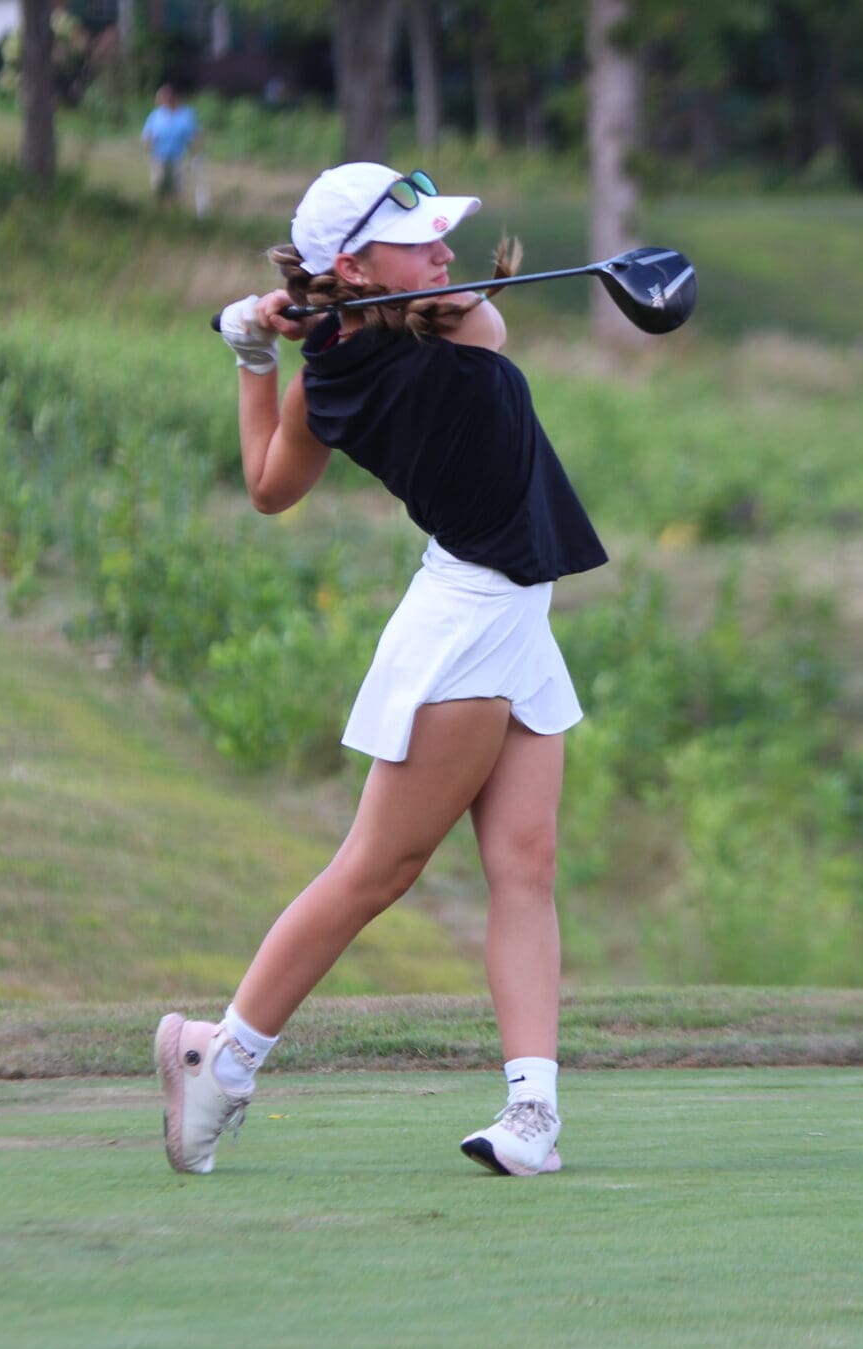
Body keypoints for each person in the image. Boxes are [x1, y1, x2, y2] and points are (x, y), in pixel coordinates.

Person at [159, 162, 608, 1178]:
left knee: (524, 865)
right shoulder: (390, 356)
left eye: (442, 235)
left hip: (505, 608)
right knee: (379, 868)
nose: (443, 251)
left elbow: (271, 485)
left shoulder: (335, 363)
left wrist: (254, 353)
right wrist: (273, 342)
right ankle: (219, 1060)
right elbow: (477, 337)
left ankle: (530, 1114)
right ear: (356, 264)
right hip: (468, 621)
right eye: (419, 240)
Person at [140, 84, 202, 213]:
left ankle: (175, 214)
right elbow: (147, 136)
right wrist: (149, 143)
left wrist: (197, 153)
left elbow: (195, 135)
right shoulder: (155, 115)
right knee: (158, 187)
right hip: (159, 157)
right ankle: (159, 212)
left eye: (163, 98)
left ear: (172, 98)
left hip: (178, 158)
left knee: (177, 189)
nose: (161, 101)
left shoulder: (186, 115)